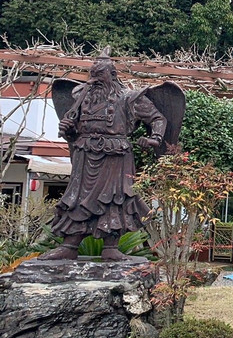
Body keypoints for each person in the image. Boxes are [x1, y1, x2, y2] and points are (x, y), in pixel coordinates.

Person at [40, 54, 168, 261]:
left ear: (112, 75)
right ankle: (69, 245)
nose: (94, 80)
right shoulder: (80, 97)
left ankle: (111, 247)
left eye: (100, 75)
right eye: (92, 75)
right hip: (85, 153)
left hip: (115, 154)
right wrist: (68, 130)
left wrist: (155, 138)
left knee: (115, 198)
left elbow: (158, 118)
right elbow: (73, 131)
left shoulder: (129, 97)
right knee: (77, 198)